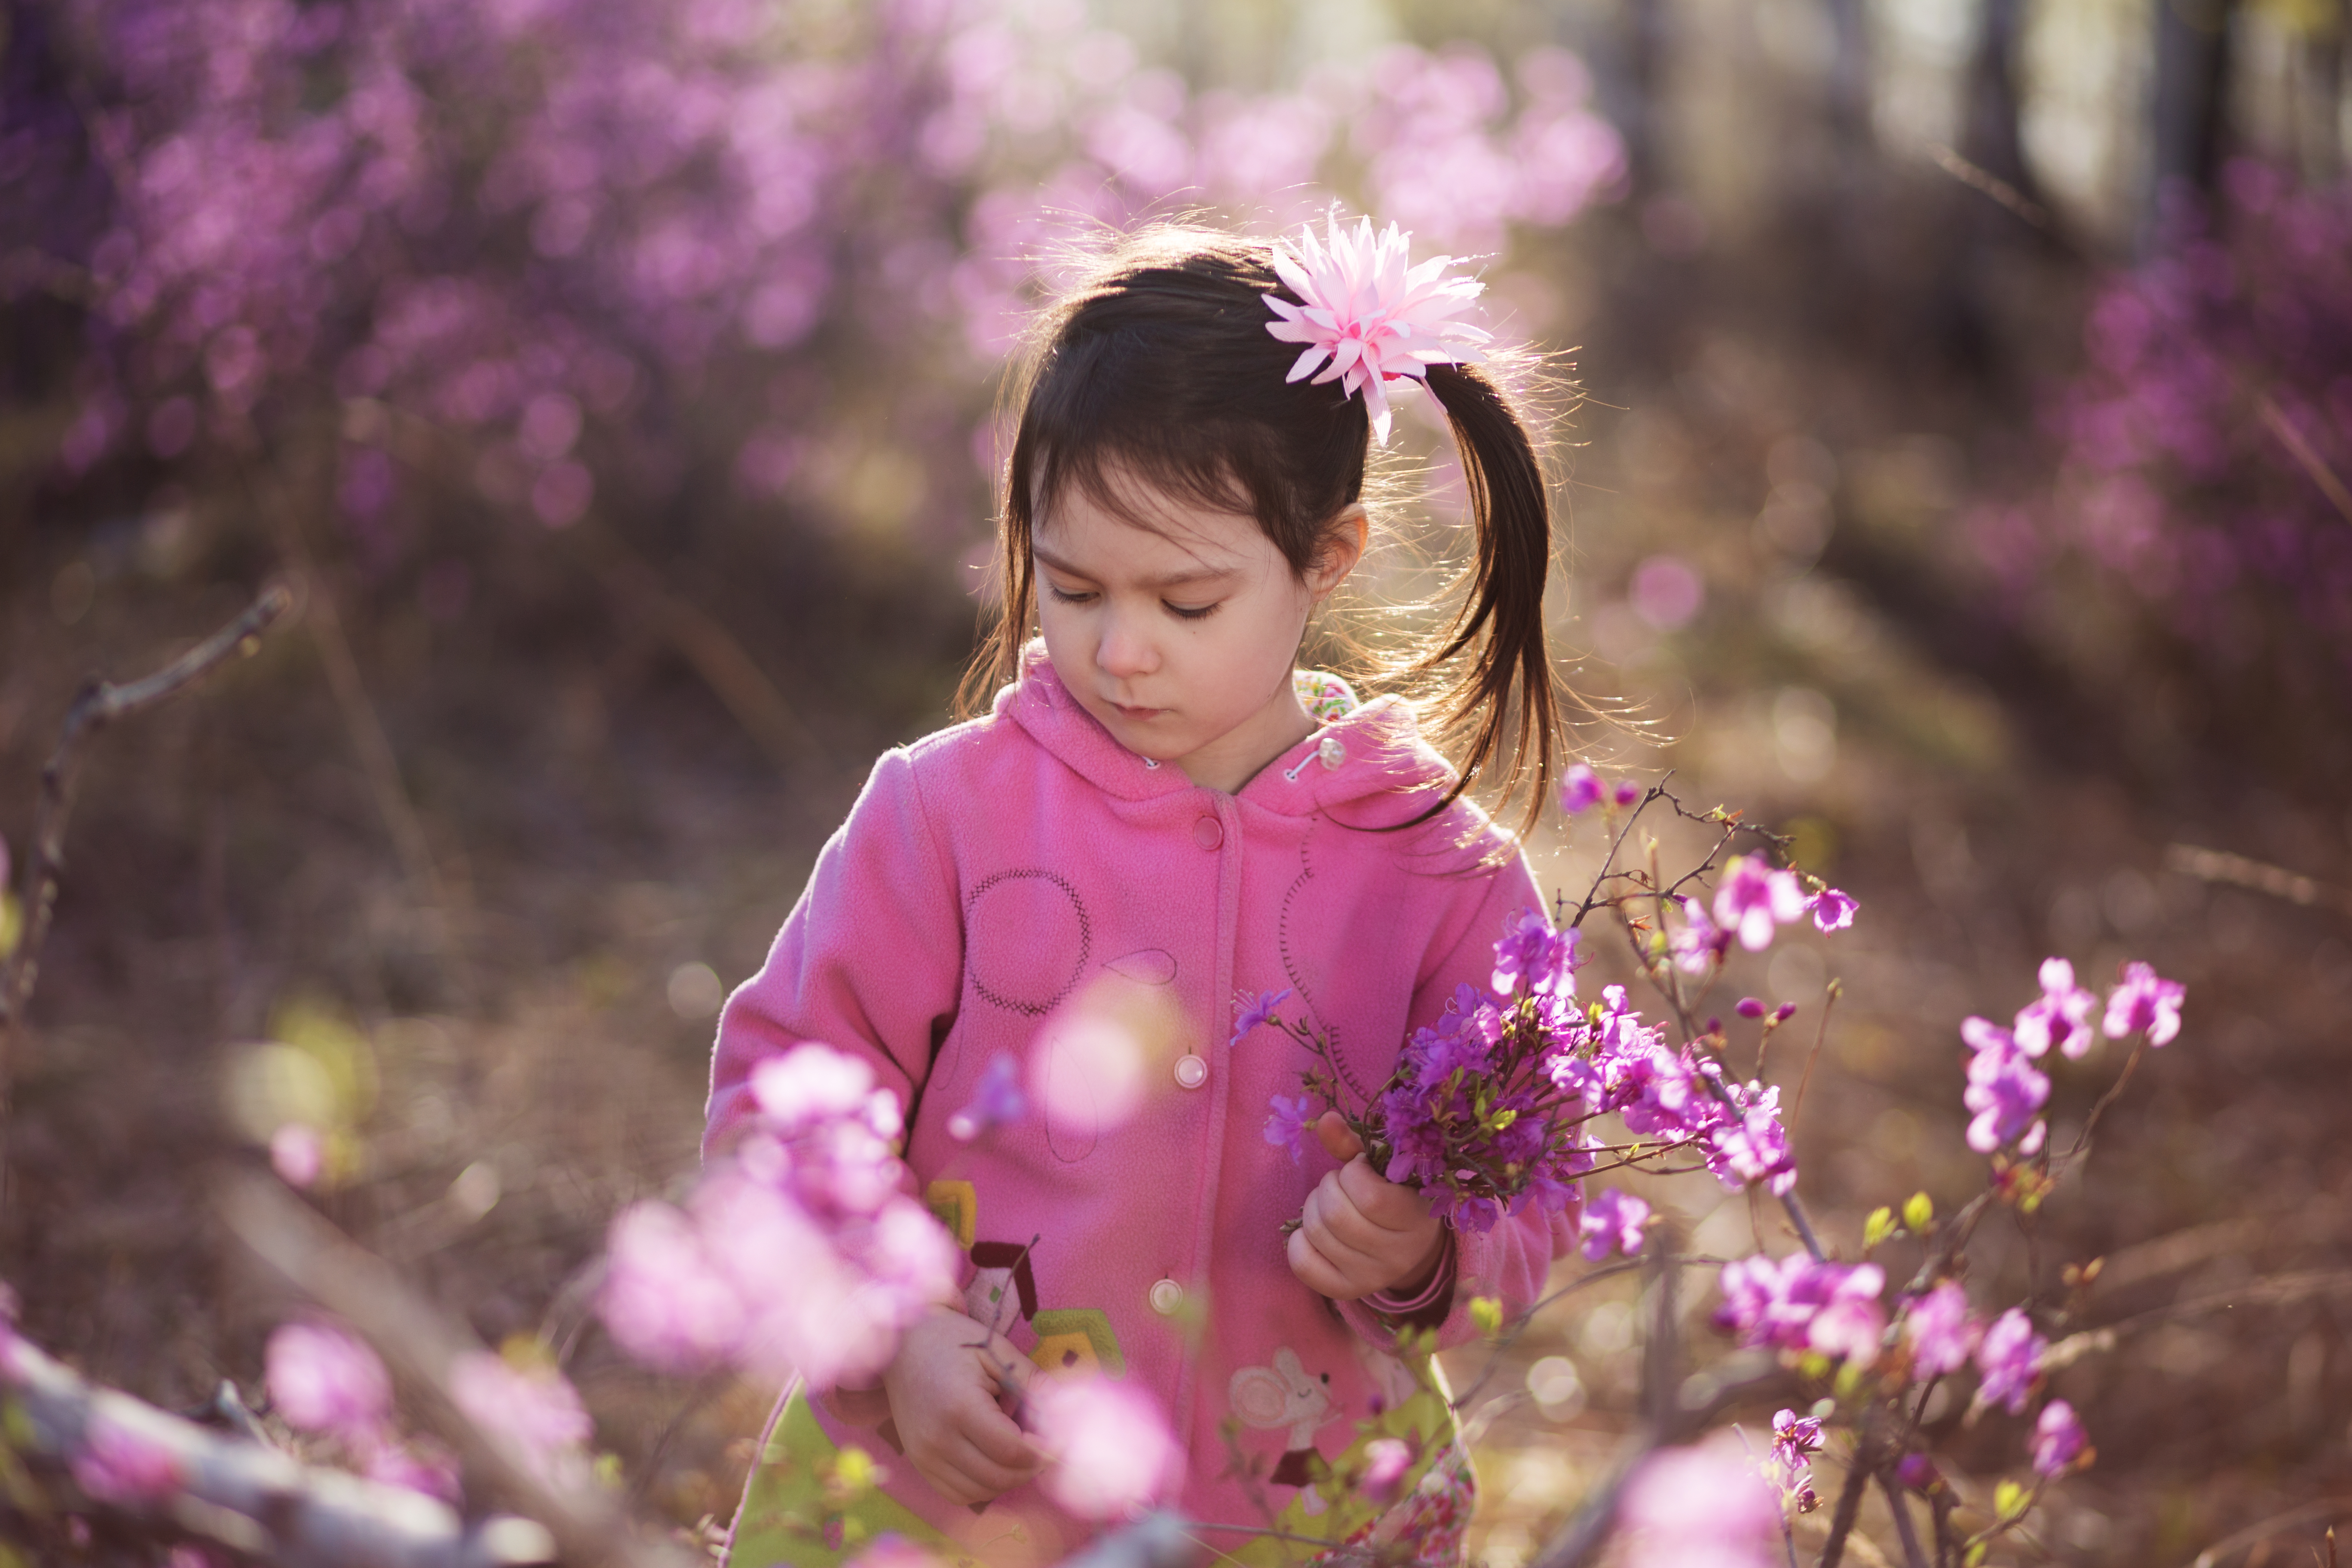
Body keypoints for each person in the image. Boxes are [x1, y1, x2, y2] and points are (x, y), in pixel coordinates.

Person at [707, 216, 1580, 1567]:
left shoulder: (1441, 867)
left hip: (1293, 1510)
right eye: (1073, 587)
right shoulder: (945, 813)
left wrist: (1423, 1251)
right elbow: (780, 1095)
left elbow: (1540, 1188)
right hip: (955, 1485)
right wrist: (896, 1330)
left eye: (1186, 602)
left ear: (1328, 559)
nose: (1121, 652)